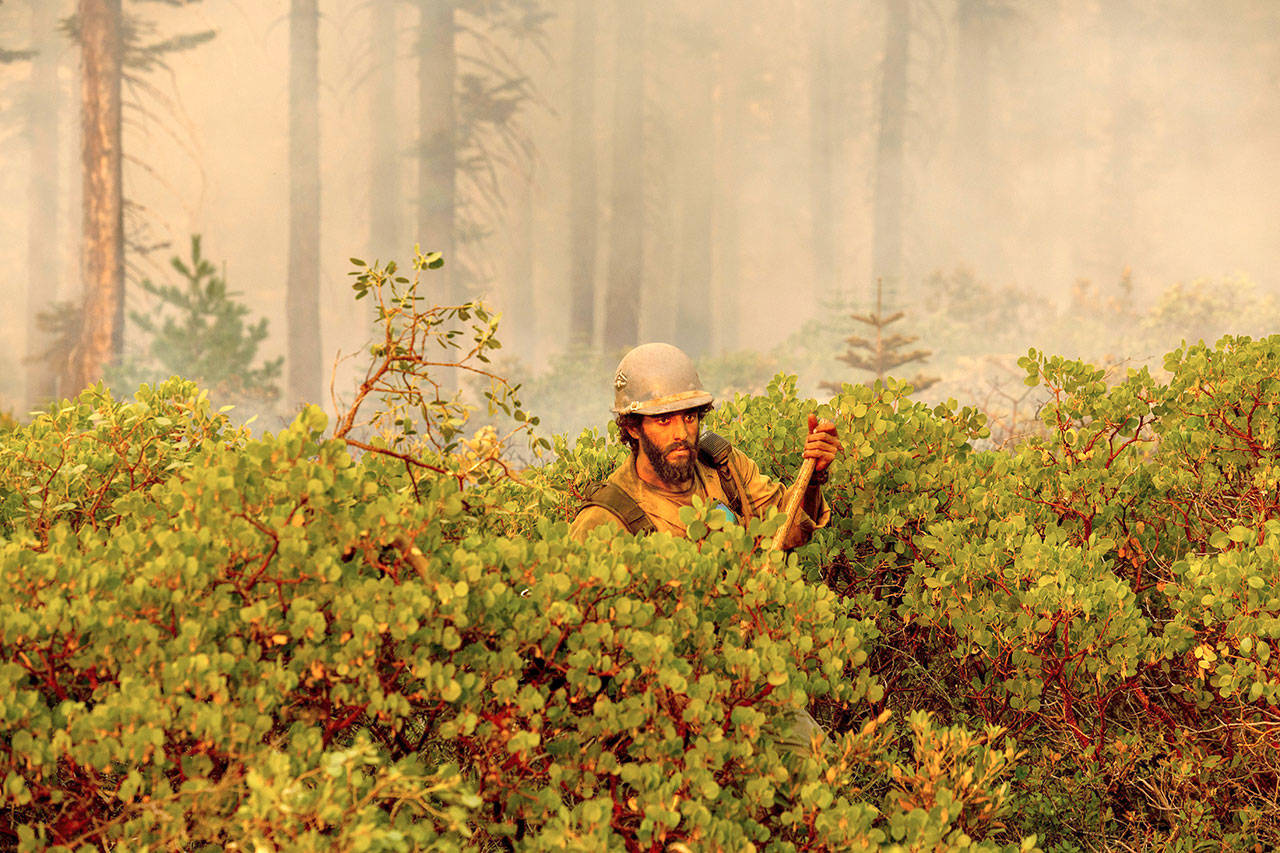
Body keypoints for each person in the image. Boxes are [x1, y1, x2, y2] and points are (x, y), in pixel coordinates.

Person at [570, 342, 840, 548]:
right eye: (663, 420)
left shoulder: (724, 467)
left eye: (689, 417)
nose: (682, 433)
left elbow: (789, 531)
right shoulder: (605, 518)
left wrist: (813, 479)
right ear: (632, 427)